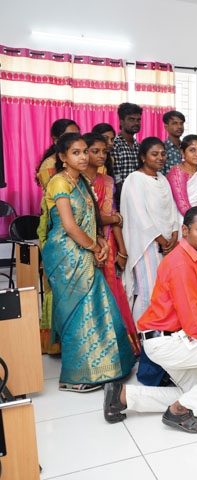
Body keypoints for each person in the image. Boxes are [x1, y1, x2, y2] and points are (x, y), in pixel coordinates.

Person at [102, 207, 197, 433]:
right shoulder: (181, 264)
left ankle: (123, 396)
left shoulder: (193, 257)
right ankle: (180, 412)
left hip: (172, 338)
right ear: (185, 230)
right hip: (169, 342)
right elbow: (195, 326)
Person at [43, 133, 135, 391]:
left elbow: (89, 220)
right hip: (65, 254)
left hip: (84, 250)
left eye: (85, 151)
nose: (83, 157)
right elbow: (69, 226)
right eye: (76, 152)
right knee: (76, 314)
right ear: (62, 157)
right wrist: (95, 246)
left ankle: (104, 367)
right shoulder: (59, 183)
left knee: (97, 308)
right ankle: (73, 378)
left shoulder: (81, 180)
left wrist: (100, 241)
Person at [82, 133, 140, 356]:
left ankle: (119, 347)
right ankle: (96, 348)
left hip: (109, 244)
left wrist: (123, 251)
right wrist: (114, 218)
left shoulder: (106, 181)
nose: (101, 156)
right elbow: (89, 217)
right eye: (95, 151)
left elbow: (112, 216)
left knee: (114, 294)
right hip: (86, 246)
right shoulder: (75, 182)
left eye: (104, 152)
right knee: (92, 296)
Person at [121, 137, 179, 322]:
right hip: (147, 244)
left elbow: (172, 209)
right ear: (143, 157)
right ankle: (144, 333)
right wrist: (162, 239)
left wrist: (175, 234)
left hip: (167, 242)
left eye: (163, 154)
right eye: (154, 154)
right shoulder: (135, 179)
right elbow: (140, 215)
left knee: (165, 288)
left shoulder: (162, 178)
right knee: (149, 289)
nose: (160, 157)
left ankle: (160, 329)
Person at [36, 119, 81, 354]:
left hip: (77, 228)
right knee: (57, 287)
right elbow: (60, 206)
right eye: (69, 136)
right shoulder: (49, 169)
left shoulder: (80, 165)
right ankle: (55, 343)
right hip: (57, 229)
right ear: (56, 141)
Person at [111, 102, 143, 190]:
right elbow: (116, 177)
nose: (136, 123)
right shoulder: (115, 145)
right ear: (121, 121)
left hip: (139, 193)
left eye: (138, 120)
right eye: (131, 119)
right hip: (122, 196)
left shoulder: (139, 146)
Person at [161, 110, 185, 176]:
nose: (179, 126)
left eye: (181, 123)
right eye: (175, 123)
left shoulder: (186, 147)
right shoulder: (162, 149)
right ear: (166, 127)